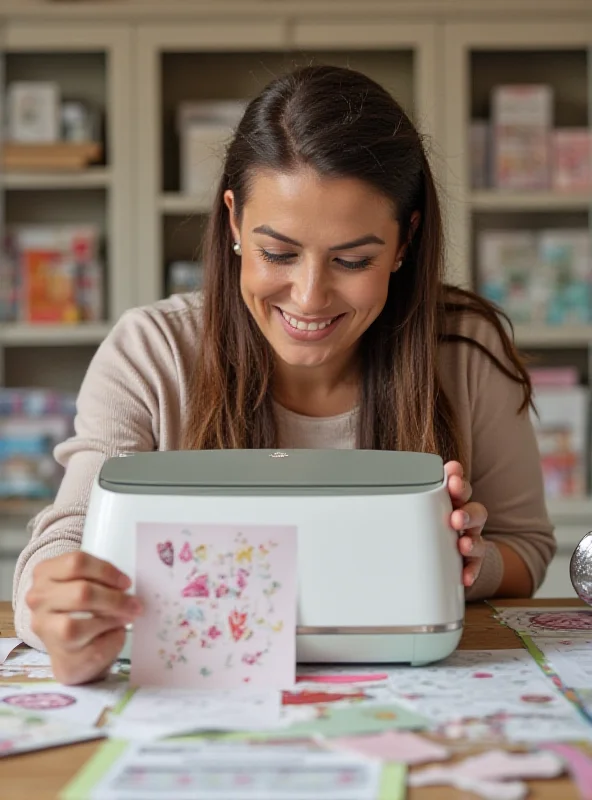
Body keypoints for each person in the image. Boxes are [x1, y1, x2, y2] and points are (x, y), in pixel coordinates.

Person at [13, 65, 555, 686]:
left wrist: (460, 560)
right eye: (279, 253)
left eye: (353, 260)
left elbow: (529, 550)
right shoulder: (152, 349)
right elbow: (68, 535)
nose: (309, 296)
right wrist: (57, 608)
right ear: (236, 222)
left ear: (405, 239)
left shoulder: (465, 348)